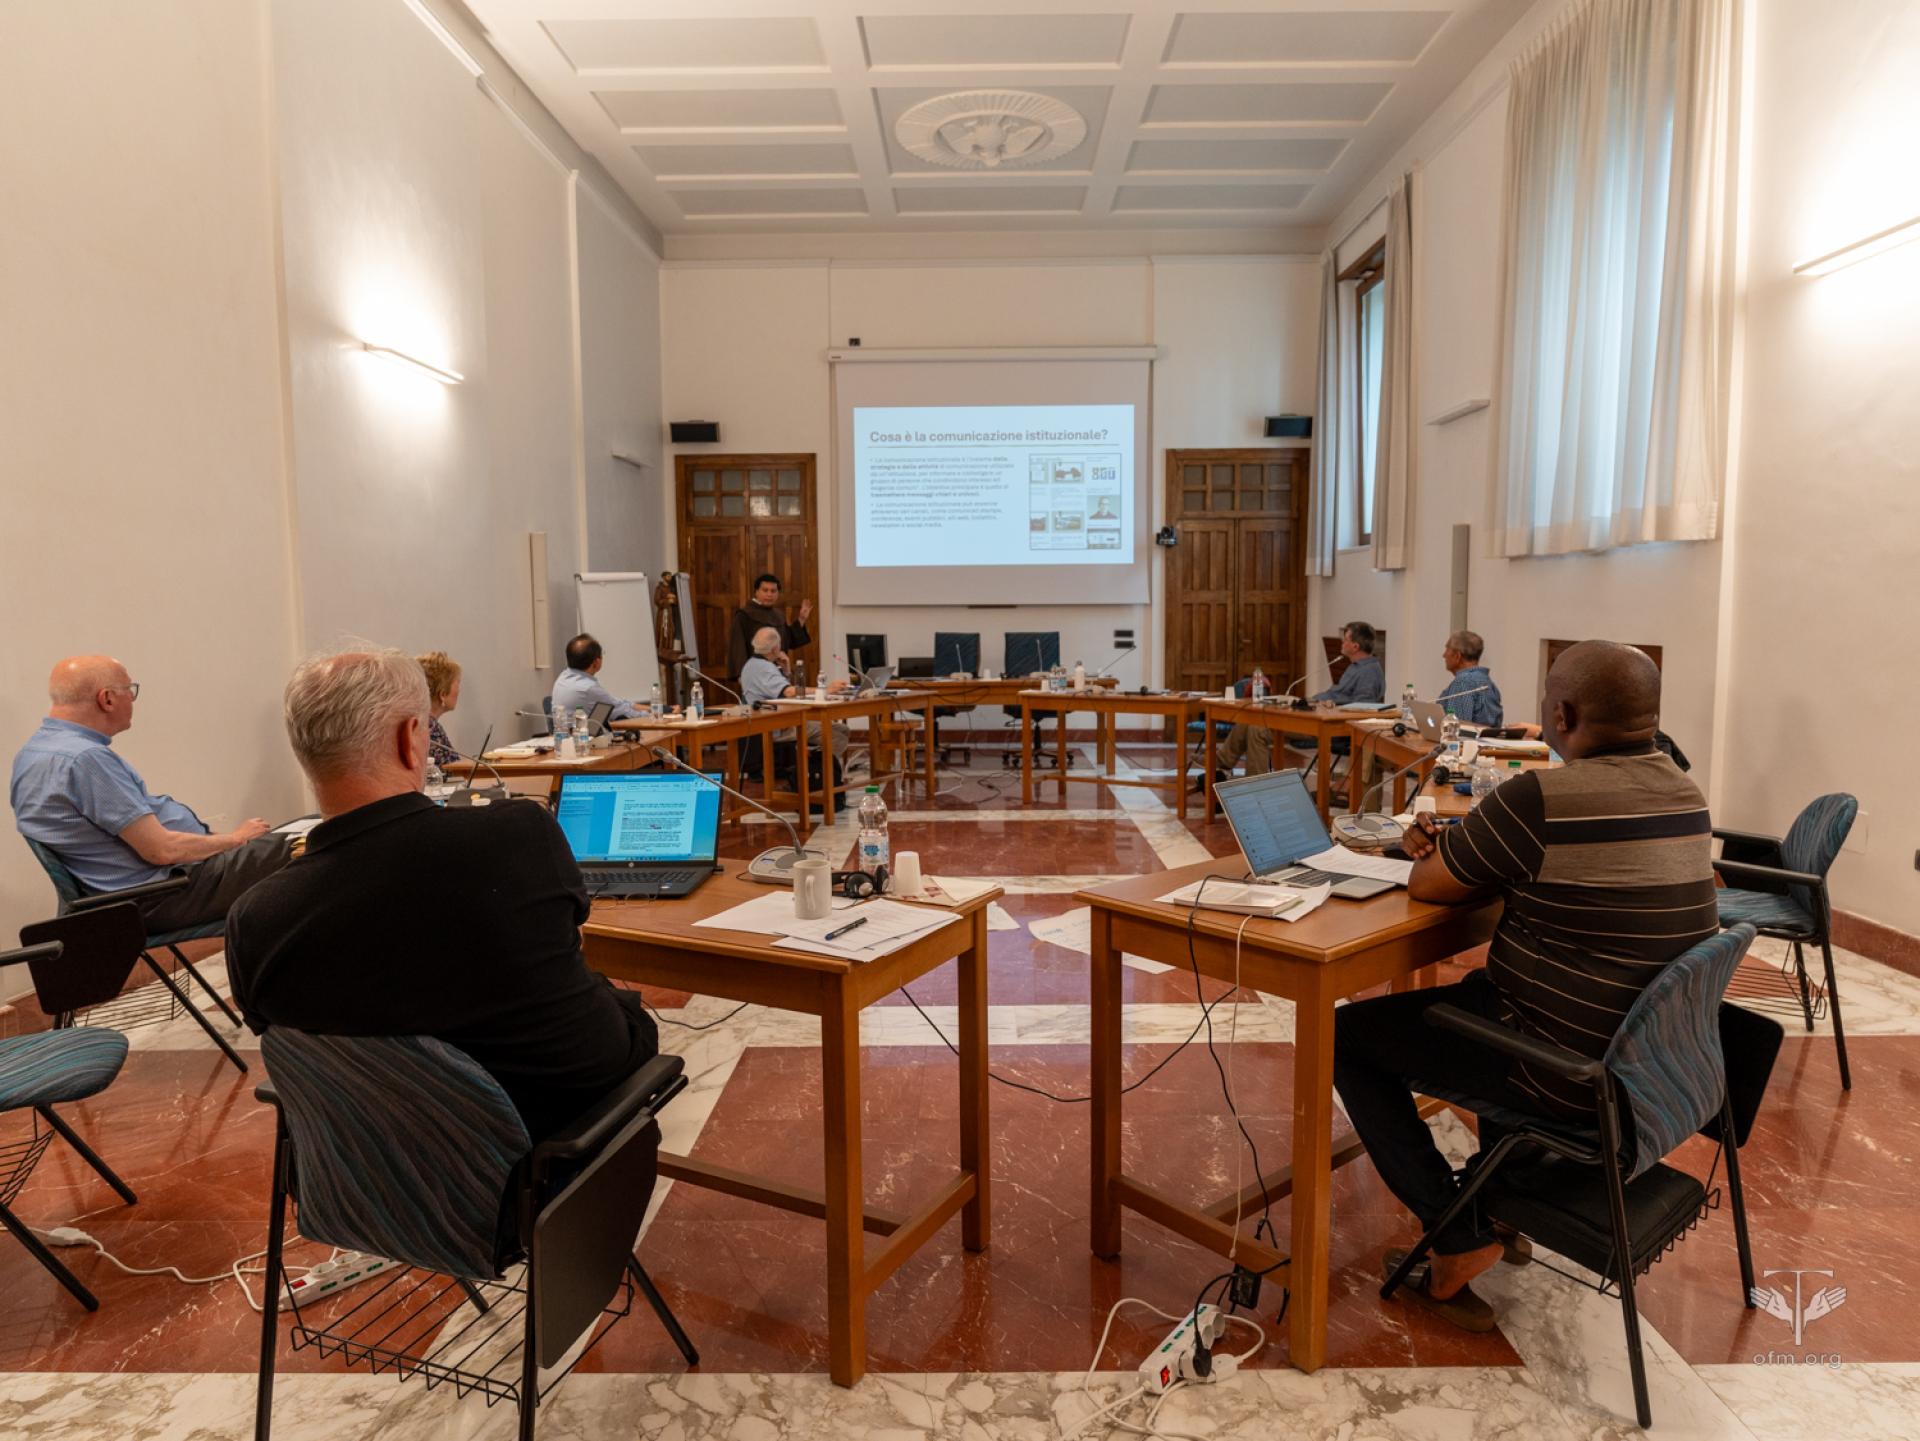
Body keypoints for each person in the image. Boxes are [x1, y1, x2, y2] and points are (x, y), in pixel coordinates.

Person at [1331, 641, 1717, 1331]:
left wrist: (1439, 849)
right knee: (1490, 986)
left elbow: (1429, 884)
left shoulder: (1541, 798)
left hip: (1566, 1073)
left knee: (1348, 1036)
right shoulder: (1687, 795)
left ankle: (1456, 1235)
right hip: (1655, 1071)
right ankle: (1497, 1205)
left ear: (1561, 716)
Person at [225, 647, 659, 1144]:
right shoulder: (517, 836)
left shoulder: (253, 921)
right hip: (550, 1156)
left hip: (364, 1171)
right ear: (411, 739)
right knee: (629, 1017)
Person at [10, 655, 292, 931]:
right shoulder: (85, 760)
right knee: (302, 843)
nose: (132, 699)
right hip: (160, 896)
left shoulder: (34, 752)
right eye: (129, 690)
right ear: (107, 699)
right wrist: (236, 840)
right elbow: (162, 850)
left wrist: (222, 841)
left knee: (293, 839)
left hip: (132, 894)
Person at [740, 627, 851, 757]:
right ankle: (819, 767)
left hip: (776, 721)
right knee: (837, 737)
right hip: (775, 727)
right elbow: (788, 692)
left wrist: (786, 670)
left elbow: (779, 692)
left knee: (843, 729)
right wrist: (825, 690)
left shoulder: (752, 664)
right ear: (775, 649)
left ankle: (814, 760)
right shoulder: (764, 667)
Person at [727, 573, 812, 678]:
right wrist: (741, 676)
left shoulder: (779, 615)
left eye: (773, 591)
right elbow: (737, 649)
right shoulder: (744, 615)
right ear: (756, 592)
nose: (769, 594)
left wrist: (801, 619)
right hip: (756, 674)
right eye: (765, 590)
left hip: (779, 673)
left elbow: (788, 640)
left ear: (777, 593)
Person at [552, 634, 640, 725]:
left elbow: (614, 702)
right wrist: (648, 714)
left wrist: (645, 708)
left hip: (566, 731)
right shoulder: (589, 688)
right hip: (584, 733)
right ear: (596, 662)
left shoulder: (562, 678)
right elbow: (625, 713)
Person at [1436, 630, 1503, 727]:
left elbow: (1457, 728)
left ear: (1457, 656)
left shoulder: (1463, 682)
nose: (1444, 655)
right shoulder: (1487, 681)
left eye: (1447, 649)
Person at [418, 650, 462, 766]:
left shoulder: (423, 721)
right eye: (457, 683)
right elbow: (453, 770)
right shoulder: (431, 729)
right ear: (442, 694)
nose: (459, 690)